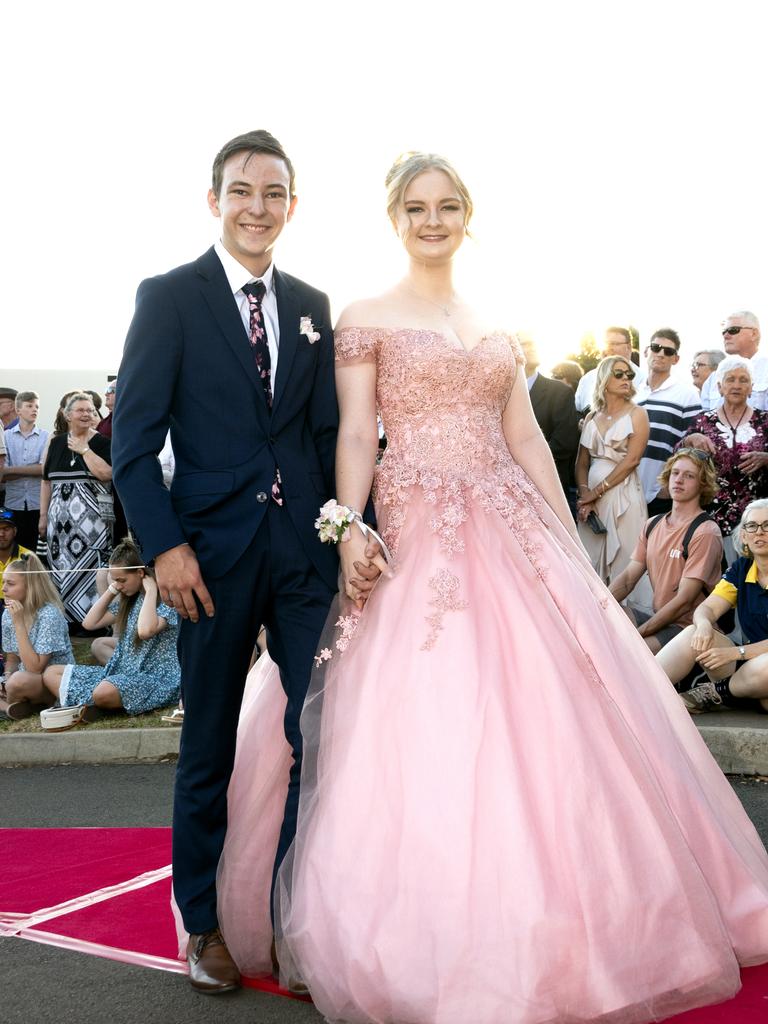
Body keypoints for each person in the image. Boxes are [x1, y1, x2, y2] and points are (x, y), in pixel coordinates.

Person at [217, 152, 768, 1024]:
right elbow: (357, 432)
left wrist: (567, 549)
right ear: (394, 217)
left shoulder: (492, 322)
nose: (431, 220)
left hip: (511, 529)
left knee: (558, 714)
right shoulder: (366, 315)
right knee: (433, 712)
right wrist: (350, 524)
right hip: (418, 535)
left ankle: (585, 920)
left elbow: (526, 440)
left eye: (446, 207)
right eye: (415, 207)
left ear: (467, 218)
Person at [111, 129, 382, 995]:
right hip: (208, 565)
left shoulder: (311, 300)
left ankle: (293, 920)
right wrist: (166, 550)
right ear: (215, 200)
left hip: (305, 559)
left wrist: (347, 532)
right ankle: (204, 926)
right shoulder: (169, 297)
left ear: (292, 206)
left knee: (321, 736)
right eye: (241, 191)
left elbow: (320, 433)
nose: (257, 207)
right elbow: (131, 443)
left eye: (274, 193)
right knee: (209, 746)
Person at [42, 538, 181, 718]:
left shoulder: (166, 599)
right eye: (115, 580)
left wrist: (151, 591)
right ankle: (98, 706)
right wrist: (112, 590)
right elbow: (89, 623)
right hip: (120, 674)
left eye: (121, 580)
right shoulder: (130, 600)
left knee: (103, 691)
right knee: (51, 673)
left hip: (154, 679)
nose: (118, 584)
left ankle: (97, 704)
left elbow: (145, 631)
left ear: (140, 573)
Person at [657, 498, 768, 714]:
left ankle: (716, 692)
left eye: (767, 525)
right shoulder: (742, 569)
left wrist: (737, 653)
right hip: (746, 673)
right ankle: (636, 692)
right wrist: (704, 624)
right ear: (743, 536)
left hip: (758, 669)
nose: (759, 532)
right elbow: (706, 609)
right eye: (752, 526)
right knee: (694, 633)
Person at [609, 449, 723, 652]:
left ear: (702, 484)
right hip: (662, 619)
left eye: (689, 476)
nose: (679, 480)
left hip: (689, 627)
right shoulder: (653, 524)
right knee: (608, 618)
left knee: (632, 654)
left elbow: (683, 602)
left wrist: (638, 633)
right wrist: (596, 605)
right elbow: (627, 580)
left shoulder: (705, 531)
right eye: (675, 473)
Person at [680, 355, 768, 560]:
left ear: (752, 387)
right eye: (730, 379)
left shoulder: (764, 422)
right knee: (718, 580)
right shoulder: (704, 421)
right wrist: (690, 439)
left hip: (758, 518)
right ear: (720, 387)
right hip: (712, 516)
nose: (736, 385)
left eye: (743, 380)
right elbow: (679, 455)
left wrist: (766, 458)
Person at [39, 392, 114, 624]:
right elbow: (46, 480)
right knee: (61, 565)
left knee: (92, 566)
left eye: (90, 410)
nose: (87, 414)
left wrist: (84, 450)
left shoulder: (103, 443)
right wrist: (43, 515)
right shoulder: (56, 442)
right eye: (81, 410)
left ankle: (93, 621)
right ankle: (67, 620)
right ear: (67, 414)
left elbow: (106, 474)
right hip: (58, 521)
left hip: (94, 523)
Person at [575, 355, 649, 582]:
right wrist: (585, 493)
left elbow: (632, 460)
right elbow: (581, 461)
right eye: (619, 374)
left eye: (630, 375)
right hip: (591, 497)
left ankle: (625, 613)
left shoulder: (638, 414)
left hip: (622, 494)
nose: (626, 378)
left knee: (624, 559)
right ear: (605, 379)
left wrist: (594, 494)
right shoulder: (591, 416)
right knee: (590, 557)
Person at [633, 328, 701, 516]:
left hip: (661, 492)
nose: (661, 354)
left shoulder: (687, 394)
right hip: (627, 490)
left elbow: (692, 447)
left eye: (668, 351)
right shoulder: (633, 393)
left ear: (675, 359)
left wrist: (666, 488)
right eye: (656, 348)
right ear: (647, 352)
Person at [0, 552, 73, 720]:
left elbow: (35, 668)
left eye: (10, 584)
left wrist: (18, 623)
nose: (3, 588)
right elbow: (12, 659)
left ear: (30, 586)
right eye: (4, 582)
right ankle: (15, 707)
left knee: (19, 681)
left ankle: (10, 707)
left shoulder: (49, 614)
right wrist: (7, 679)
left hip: (50, 682)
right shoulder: (8, 614)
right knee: (14, 680)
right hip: (22, 679)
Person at [518, 332, 579, 499]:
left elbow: (564, 443)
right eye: (526, 343)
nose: (533, 348)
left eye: (535, 344)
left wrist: (523, 466)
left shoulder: (560, 392)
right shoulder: (500, 392)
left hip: (549, 485)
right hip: (509, 489)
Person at [2, 391, 49, 549]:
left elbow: (44, 469)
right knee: (13, 546)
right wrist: (32, 469)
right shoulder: (5, 437)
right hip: (13, 503)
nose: (34, 409)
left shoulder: (45, 436)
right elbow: (2, 474)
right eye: (29, 406)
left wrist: (11, 470)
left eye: (37, 406)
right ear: (18, 410)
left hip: (38, 503)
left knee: (35, 550)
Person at [574, 326, 646, 414]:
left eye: (613, 343)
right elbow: (577, 411)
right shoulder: (587, 379)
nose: (608, 348)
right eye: (605, 343)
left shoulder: (644, 379)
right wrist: (581, 421)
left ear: (629, 347)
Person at [718, 310, 768, 411]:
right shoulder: (714, 376)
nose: (725, 336)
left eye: (733, 330)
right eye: (724, 332)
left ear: (754, 334)